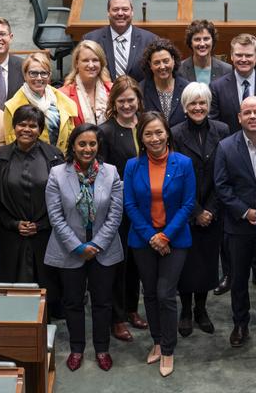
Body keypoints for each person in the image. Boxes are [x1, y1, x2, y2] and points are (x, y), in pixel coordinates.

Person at [44, 124, 123, 372]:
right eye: (82, 144)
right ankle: (77, 348)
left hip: (104, 249)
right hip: (70, 249)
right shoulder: (57, 174)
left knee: (102, 302)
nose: (87, 149)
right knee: (73, 303)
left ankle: (102, 348)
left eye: (92, 144)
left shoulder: (111, 173)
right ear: (73, 146)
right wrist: (78, 247)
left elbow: (115, 214)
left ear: (98, 146)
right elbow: (55, 217)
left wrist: (96, 245)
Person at [123, 112, 196, 377]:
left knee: (166, 293)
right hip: (143, 240)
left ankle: (168, 348)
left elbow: (188, 204)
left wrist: (165, 236)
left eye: (159, 132)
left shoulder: (184, 164)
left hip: (175, 239)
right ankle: (156, 340)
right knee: (150, 293)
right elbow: (129, 204)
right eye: (148, 134)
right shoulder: (133, 166)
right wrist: (151, 236)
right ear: (141, 138)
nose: (154, 138)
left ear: (168, 133)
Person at [214, 97, 256, 348]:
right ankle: (240, 323)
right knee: (238, 279)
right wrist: (245, 212)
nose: (253, 116)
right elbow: (222, 185)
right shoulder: (226, 146)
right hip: (238, 227)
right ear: (239, 117)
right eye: (247, 112)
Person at [172, 82, 230, 337]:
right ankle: (185, 310)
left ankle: (201, 308)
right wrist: (196, 211)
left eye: (202, 103)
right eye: (192, 103)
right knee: (185, 263)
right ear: (185, 107)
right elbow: (173, 176)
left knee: (207, 263)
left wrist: (210, 210)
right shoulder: (174, 133)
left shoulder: (223, 130)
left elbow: (225, 172)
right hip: (185, 210)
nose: (198, 107)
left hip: (214, 208)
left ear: (208, 105)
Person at [0, 106, 64, 313]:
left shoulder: (54, 157)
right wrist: (14, 224)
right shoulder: (1, 156)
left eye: (33, 125)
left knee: (46, 289)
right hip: (11, 234)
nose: (27, 129)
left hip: (45, 234)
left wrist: (42, 224)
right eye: (22, 124)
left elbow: (63, 199)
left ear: (40, 129)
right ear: (14, 127)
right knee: (13, 292)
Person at [99, 76, 148, 342]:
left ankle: (131, 308)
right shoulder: (105, 131)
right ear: (113, 103)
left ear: (138, 101)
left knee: (137, 263)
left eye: (131, 100)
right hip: (117, 208)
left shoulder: (147, 125)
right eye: (122, 101)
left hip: (145, 207)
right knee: (118, 264)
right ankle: (116, 317)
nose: (127, 105)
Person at [4, 52, 78, 153]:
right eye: (33, 73)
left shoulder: (63, 101)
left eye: (43, 73)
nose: (39, 78)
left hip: (60, 162)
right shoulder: (12, 107)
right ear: (25, 75)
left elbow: (71, 136)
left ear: (49, 76)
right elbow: (12, 144)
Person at [210, 33, 256, 134]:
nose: (243, 59)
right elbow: (215, 126)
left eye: (248, 55)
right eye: (239, 55)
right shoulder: (217, 87)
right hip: (229, 147)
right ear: (232, 56)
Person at [83, 0, 158, 81]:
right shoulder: (91, 40)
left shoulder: (150, 40)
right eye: (115, 9)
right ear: (108, 12)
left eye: (125, 9)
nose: (120, 13)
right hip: (102, 94)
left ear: (132, 12)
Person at [60, 40, 113, 126]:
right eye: (85, 60)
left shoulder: (113, 90)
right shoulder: (63, 94)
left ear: (101, 63)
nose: (91, 65)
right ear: (77, 63)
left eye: (95, 60)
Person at [140, 38, 189, 127]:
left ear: (173, 60)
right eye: (157, 63)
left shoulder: (187, 88)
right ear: (150, 65)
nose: (162, 67)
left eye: (166, 61)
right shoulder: (141, 90)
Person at [178, 19, 232, 83]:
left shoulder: (227, 70)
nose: (202, 44)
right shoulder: (179, 69)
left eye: (206, 39)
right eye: (197, 39)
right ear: (190, 43)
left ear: (213, 41)